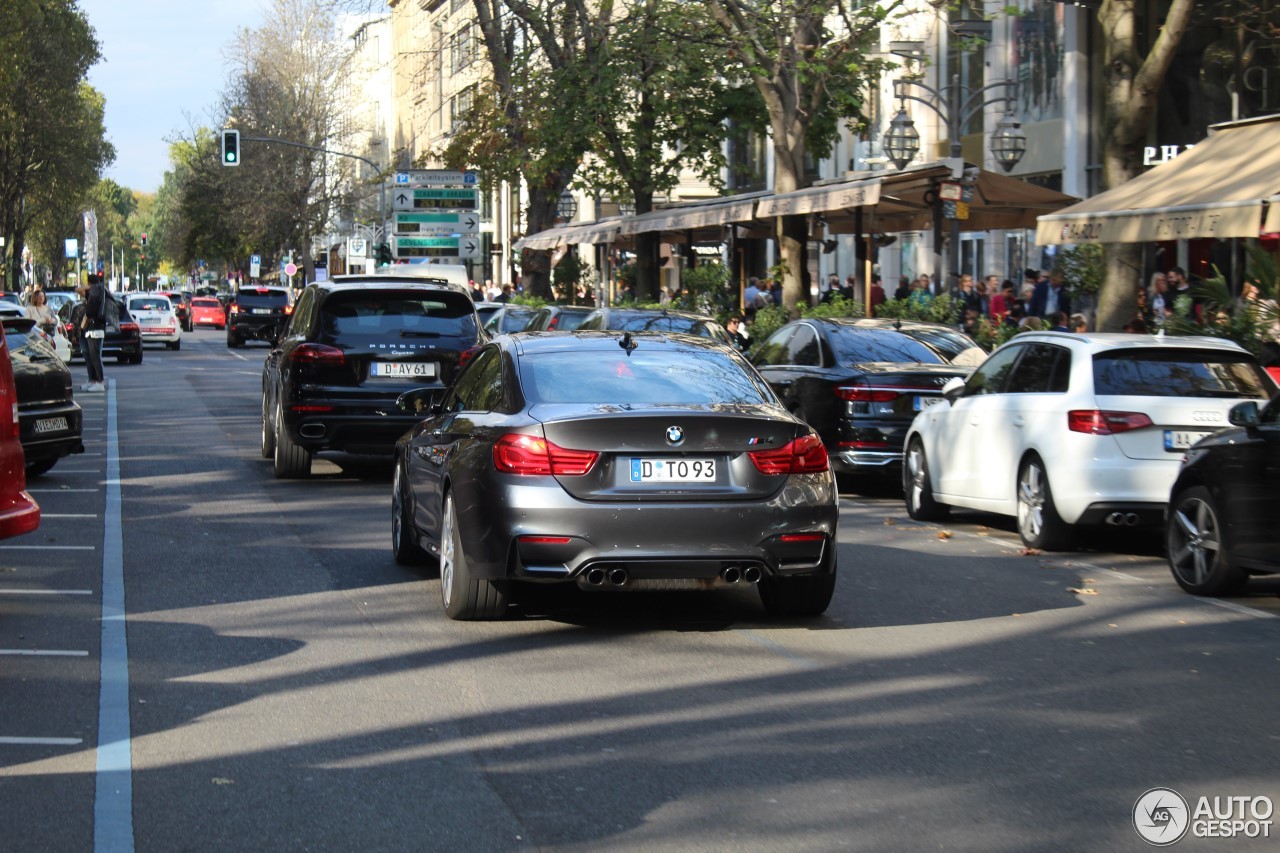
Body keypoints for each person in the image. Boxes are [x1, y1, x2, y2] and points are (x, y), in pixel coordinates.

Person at [78, 274, 107, 392]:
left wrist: (91, 286)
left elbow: (91, 311)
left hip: (96, 328)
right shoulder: (96, 293)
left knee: (95, 356)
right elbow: (78, 291)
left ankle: (100, 382)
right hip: (91, 328)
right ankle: (93, 380)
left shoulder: (98, 293)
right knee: (90, 356)